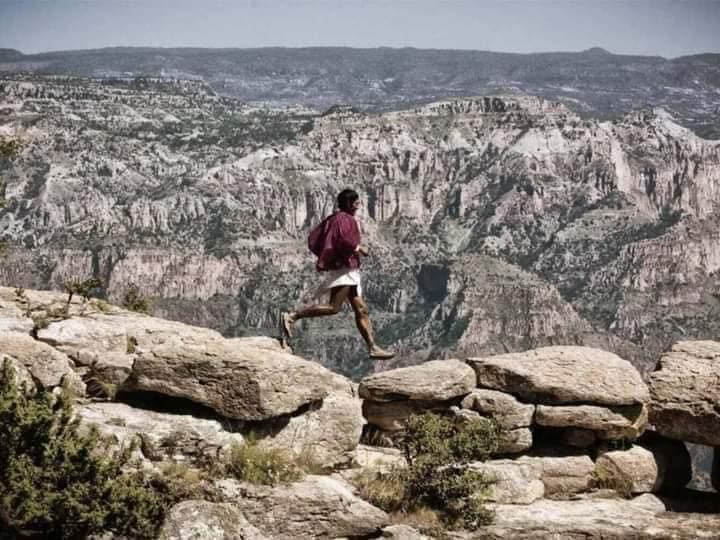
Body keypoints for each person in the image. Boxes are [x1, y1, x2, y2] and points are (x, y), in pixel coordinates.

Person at [281, 188, 395, 360]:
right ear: (350, 203)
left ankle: (372, 347)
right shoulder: (343, 219)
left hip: (349, 269)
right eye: (356, 203)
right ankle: (293, 316)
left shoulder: (337, 218)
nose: (358, 206)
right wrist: (359, 248)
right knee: (334, 307)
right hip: (345, 270)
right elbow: (342, 240)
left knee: (362, 310)